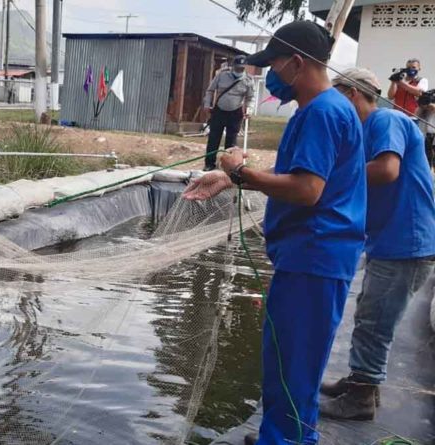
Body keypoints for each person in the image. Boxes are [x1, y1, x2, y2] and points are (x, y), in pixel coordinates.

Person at [184, 21, 366, 445]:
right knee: (291, 361)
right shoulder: (322, 110)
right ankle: (286, 436)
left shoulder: (323, 111)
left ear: (297, 63)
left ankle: (284, 441)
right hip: (311, 258)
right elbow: (299, 175)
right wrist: (230, 179)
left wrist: (241, 171)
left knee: (293, 365)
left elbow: (307, 189)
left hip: (314, 258)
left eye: (274, 64)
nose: (271, 75)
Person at [317, 69, 435, 421]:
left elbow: (386, 170)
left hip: (408, 241)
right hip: (391, 239)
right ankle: (361, 380)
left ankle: (361, 398)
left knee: (375, 319)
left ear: (352, 94)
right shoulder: (365, 131)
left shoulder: (386, 119)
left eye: (336, 96)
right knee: (371, 311)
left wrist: (329, 179)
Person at [203, 55, 255, 171]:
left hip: (235, 113)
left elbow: (250, 97)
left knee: (231, 143)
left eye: (241, 68)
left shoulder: (248, 80)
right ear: (233, 66)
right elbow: (210, 90)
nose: (239, 70)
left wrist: (249, 109)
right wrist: (207, 104)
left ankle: (228, 168)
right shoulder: (222, 75)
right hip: (219, 111)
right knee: (213, 139)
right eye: (237, 68)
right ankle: (209, 164)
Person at [418, 100, 435, 169]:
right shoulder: (428, 101)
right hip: (426, 134)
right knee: (426, 157)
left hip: (433, 134)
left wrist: (430, 105)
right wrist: (422, 106)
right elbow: (417, 115)